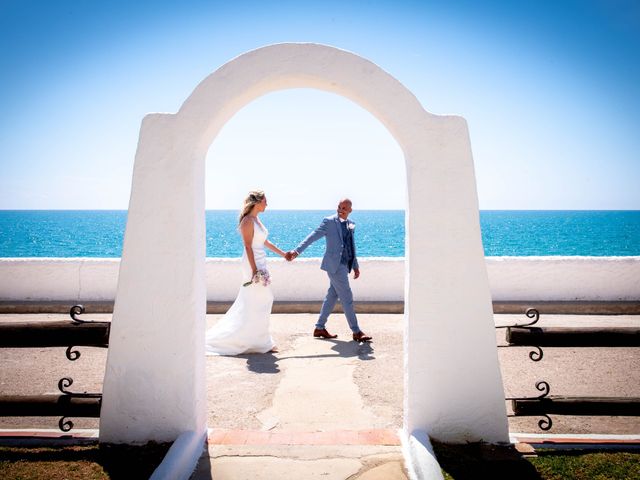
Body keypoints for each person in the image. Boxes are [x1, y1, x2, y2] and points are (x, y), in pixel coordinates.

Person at [205, 190, 288, 355]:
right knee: (258, 299)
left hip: (261, 262)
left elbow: (265, 242)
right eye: (265, 201)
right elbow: (248, 246)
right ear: (257, 202)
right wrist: (255, 270)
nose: (267, 204)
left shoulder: (257, 220)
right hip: (252, 264)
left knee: (260, 300)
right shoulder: (247, 221)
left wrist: (284, 254)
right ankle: (257, 341)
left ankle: (259, 340)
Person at [286, 198, 372, 342]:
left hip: (345, 265)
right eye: (339, 207)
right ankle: (356, 331)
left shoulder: (351, 224)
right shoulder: (329, 221)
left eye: (344, 208)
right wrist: (297, 251)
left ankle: (319, 327)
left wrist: (355, 265)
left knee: (332, 296)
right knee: (347, 297)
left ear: (350, 210)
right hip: (334, 266)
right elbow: (312, 237)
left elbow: (351, 246)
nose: (340, 210)